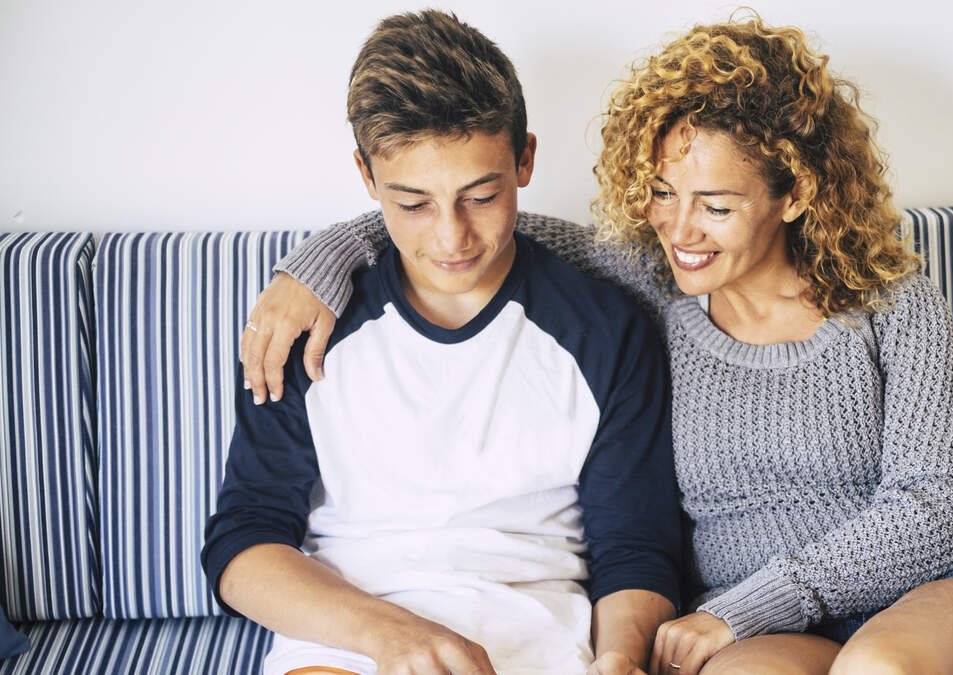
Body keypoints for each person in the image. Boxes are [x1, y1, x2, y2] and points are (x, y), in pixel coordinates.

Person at [242, 12, 953, 675]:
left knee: (878, 667)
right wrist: (323, 260)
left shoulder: (893, 303)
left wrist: (741, 609)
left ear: (795, 193)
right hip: (762, 634)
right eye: (664, 194)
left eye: (716, 204)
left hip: (935, 594)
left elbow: (937, 508)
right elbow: (479, 230)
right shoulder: (663, 286)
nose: (680, 230)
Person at [202, 10, 683, 675]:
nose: (452, 237)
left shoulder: (605, 330)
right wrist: (392, 636)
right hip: (346, 636)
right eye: (413, 204)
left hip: (541, 638)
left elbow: (635, 548)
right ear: (367, 177)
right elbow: (243, 541)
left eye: (480, 196)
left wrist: (621, 657)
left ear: (525, 159)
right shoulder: (303, 327)